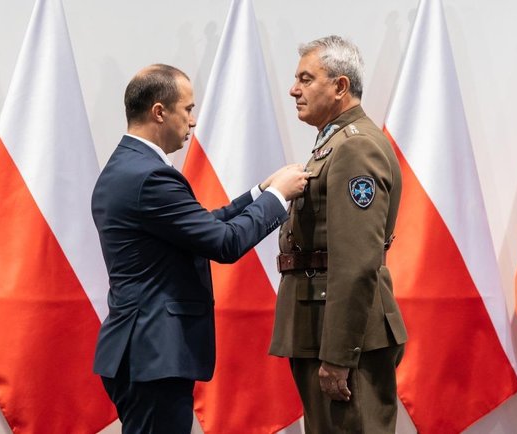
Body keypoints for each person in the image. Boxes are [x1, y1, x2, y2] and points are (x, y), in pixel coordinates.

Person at [91, 64, 309, 434]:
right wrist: (277, 197)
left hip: (143, 353)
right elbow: (224, 243)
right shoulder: (150, 176)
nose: (193, 121)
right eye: (188, 109)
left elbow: (199, 226)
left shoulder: (128, 166)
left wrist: (258, 192)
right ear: (159, 111)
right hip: (154, 355)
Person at [269, 36, 408, 433]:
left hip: (345, 334)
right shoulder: (333, 144)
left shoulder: (355, 148)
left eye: (306, 78)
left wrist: (339, 354)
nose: (294, 89)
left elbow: (356, 261)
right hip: (319, 324)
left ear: (340, 86)